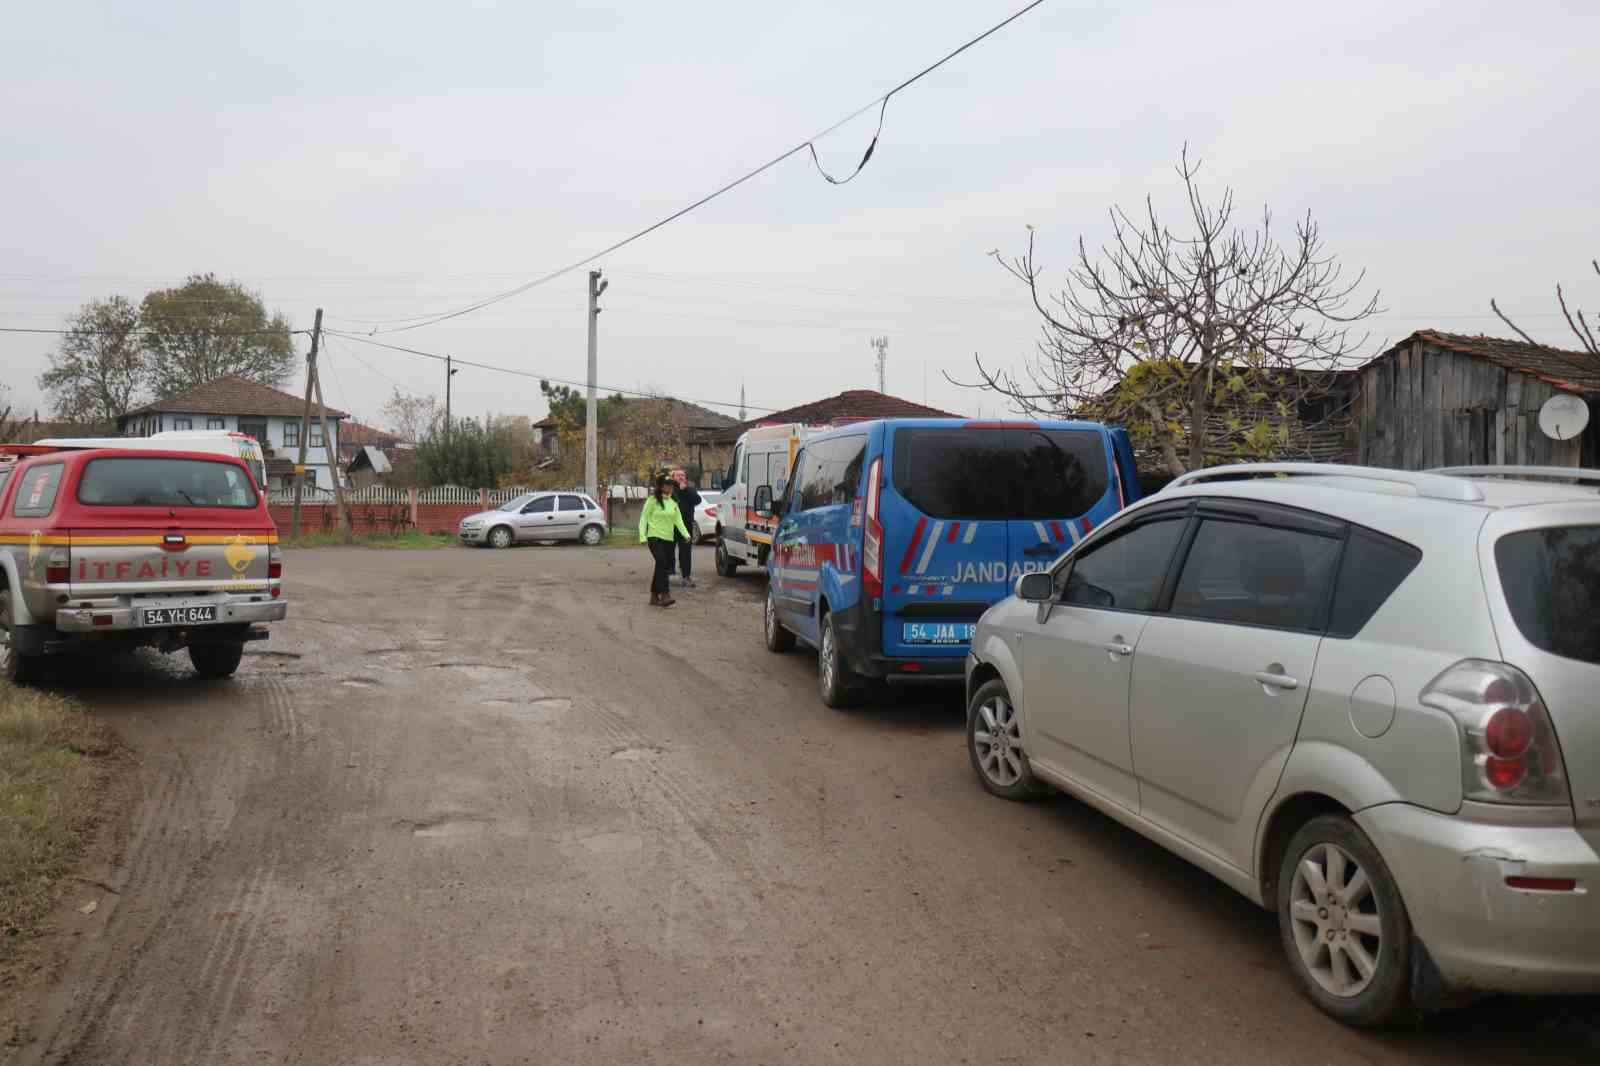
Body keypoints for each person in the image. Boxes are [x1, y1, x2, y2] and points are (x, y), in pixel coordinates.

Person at [638, 474, 690, 607]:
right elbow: (644, 518)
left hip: (668, 538)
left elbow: (678, 520)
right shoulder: (652, 500)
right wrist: (642, 536)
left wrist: (686, 534)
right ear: (661, 486)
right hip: (654, 537)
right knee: (662, 562)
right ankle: (665, 594)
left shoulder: (673, 502)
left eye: (671, 485)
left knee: (661, 565)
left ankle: (654, 596)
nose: (670, 487)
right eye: (667, 484)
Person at [670, 469, 703, 587]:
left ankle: (686, 575)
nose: (680, 477)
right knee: (669, 550)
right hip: (670, 525)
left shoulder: (690, 489)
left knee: (685, 552)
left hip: (686, 525)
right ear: (673, 477)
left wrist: (686, 490)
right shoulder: (669, 490)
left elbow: (697, 500)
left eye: (683, 475)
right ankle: (670, 572)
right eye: (678, 475)